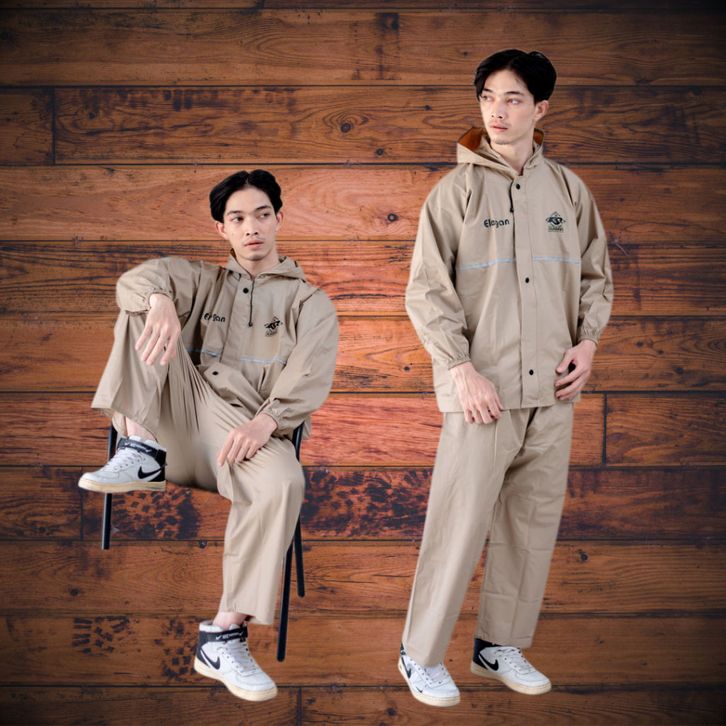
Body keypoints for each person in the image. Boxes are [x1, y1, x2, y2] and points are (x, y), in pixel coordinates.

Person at [398, 49, 613, 707]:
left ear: (540, 109)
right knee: (457, 525)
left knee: (531, 524)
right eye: (488, 97)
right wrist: (460, 370)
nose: (498, 110)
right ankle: (419, 654)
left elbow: (595, 277)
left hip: (552, 392)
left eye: (513, 98)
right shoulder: (454, 193)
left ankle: (500, 644)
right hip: (482, 394)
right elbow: (426, 292)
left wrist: (587, 342)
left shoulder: (569, 192)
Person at [78, 169, 339, 702]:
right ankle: (138, 450)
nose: (251, 228)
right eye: (237, 219)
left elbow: (309, 374)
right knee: (142, 307)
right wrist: (161, 302)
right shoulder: (202, 280)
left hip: (244, 435)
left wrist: (266, 422)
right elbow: (135, 281)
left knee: (285, 481)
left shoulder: (309, 302)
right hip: (172, 423)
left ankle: (222, 636)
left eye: (261, 215)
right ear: (222, 229)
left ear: (279, 219)